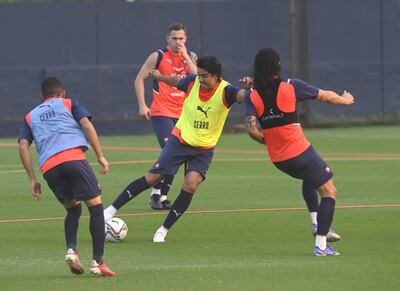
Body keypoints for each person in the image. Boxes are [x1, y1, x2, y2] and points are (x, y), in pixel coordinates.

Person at [104, 56, 251, 242]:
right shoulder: (193, 82)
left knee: (190, 185)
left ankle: (163, 230)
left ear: (215, 76)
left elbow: (244, 96)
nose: (200, 79)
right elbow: (177, 81)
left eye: (204, 76)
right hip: (180, 140)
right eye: (198, 75)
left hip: (203, 149)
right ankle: (109, 211)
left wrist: (250, 88)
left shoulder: (227, 91)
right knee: (153, 177)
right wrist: (159, 77)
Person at [243, 48, 355, 256]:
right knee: (329, 191)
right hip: (299, 151)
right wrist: (345, 99)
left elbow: (251, 129)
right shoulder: (291, 86)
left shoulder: (252, 95)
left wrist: (266, 140)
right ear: (277, 66)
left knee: (310, 178)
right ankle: (321, 245)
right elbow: (326, 97)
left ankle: (315, 222)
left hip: (278, 159)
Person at [18, 77, 116, 276]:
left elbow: (22, 145)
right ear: (62, 93)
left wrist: (32, 179)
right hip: (73, 159)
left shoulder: (30, 116)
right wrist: (100, 156)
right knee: (96, 207)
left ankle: (72, 250)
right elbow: (87, 126)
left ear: (41, 96)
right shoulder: (69, 103)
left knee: (73, 210)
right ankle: (98, 262)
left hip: (49, 168)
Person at [134, 22, 197, 210]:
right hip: (162, 111)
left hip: (183, 114)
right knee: (173, 148)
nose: (178, 42)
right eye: (174, 38)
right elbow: (139, 78)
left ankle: (158, 194)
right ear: (167, 38)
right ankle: (157, 194)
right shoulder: (158, 56)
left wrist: (186, 56)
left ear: (186, 39)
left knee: (177, 154)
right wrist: (142, 105)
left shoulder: (191, 57)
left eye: (181, 38)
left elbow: (197, 78)